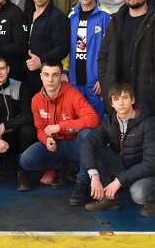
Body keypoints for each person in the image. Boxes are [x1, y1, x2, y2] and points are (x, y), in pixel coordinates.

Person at [81, 83, 155, 217]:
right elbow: (87, 144)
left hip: (152, 173)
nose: (121, 103)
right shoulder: (109, 121)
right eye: (116, 99)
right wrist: (94, 175)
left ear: (133, 100)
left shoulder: (148, 123)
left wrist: (119, 181)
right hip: (127, 168)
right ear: (111, 103)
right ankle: (110, 199)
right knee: (96, 148)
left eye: (125, 97)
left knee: (138, 194)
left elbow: (151, 163)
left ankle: (154, 196)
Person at [19, 61, 100, 206]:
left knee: (87, 134)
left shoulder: (73, 94)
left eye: (55, 75)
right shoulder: (36, 100)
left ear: (61, 77)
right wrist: (46, 139)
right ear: (41, 76)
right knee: (26, 160)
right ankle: (61, 166)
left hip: (75, 145)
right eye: (46, 75)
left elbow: (93, 119)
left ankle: (82, 182)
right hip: (55, 146)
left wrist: (60, 126)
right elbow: (39, 128)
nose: (50, 80)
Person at [0, 56, 37, 190]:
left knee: (29, 131)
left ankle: (23, 172)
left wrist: (5, 125)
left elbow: (28, 115)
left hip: (18, 135)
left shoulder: (20, 86)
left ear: (8, 69)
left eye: (1, 68)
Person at [64, 0, 111, 117]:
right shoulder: (71, 16)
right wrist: (65, 72)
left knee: (96, 123)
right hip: (74, 82)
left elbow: (113, 51)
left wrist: (104, 78)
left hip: (96, 84)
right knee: (76, 123)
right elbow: (66, 48)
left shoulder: (106, 16)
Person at [24, 0, 70, 97]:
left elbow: (63, 48)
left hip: (47, 80)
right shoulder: (28, 14)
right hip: (27, 77)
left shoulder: (57, 17)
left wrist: (42, 60)